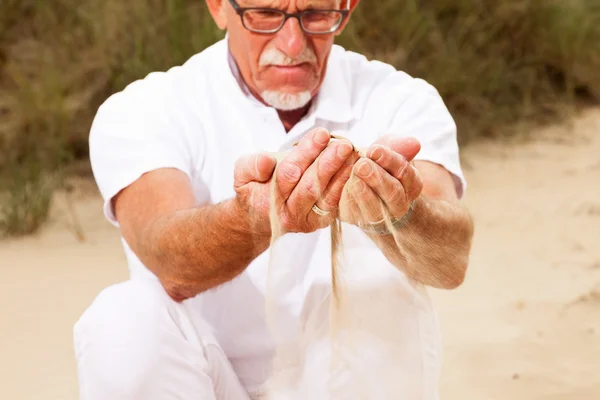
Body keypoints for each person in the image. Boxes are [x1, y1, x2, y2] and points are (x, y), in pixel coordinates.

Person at [73, 0, 474, 399]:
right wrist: (256, 216)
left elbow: (450, 263)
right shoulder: (146, 107)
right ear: (218, 7)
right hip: (204, 380)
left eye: (316, 15)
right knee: (119, 318)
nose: (292, 41)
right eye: (264, 14)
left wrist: (399, 214)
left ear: (347, 9)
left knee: (382, 277)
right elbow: (169, 263)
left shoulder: (401, 99)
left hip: (342, 385)